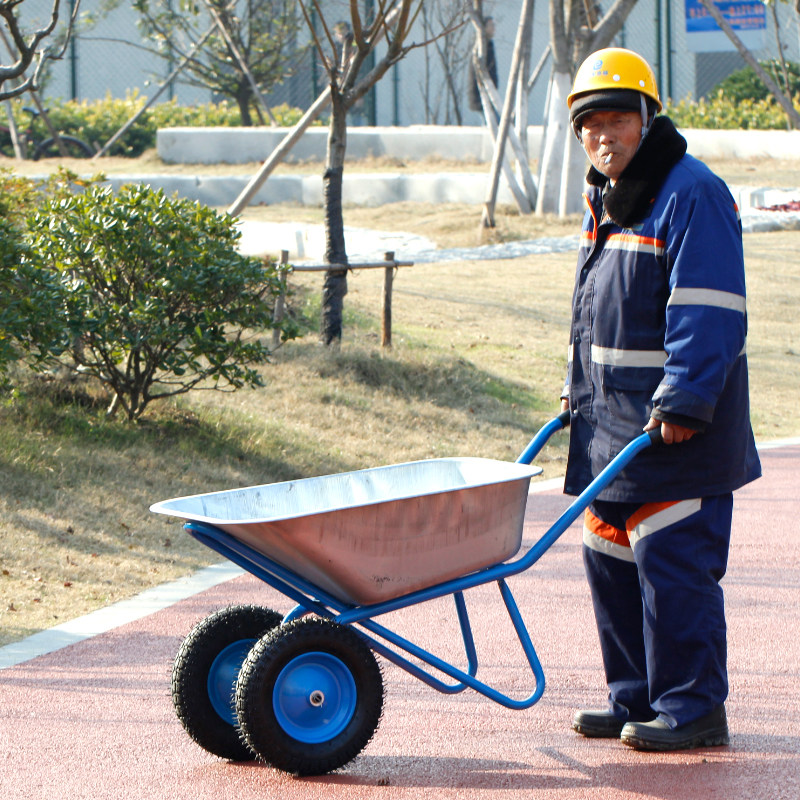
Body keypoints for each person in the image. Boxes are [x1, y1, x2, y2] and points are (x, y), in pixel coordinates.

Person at [561, 47, 761, 752]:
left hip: (674, 432)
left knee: (674, 567)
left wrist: (683, 401)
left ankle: (693, 707)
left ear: (648, 119)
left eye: (617, 120)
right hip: (610, 429)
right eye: (589, 125)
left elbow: (709, 308)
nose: (603, 137)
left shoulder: (690, 192)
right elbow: (597, 311)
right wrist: (573, 395)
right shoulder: (608, 200)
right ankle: (635, 697)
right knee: (611, 564)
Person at [467, 17, 498, 114]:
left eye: (494, 25)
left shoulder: (489, 45)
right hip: (481, 93)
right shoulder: (481, 47)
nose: (493, 28)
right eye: (490, 25)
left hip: (490, 92)